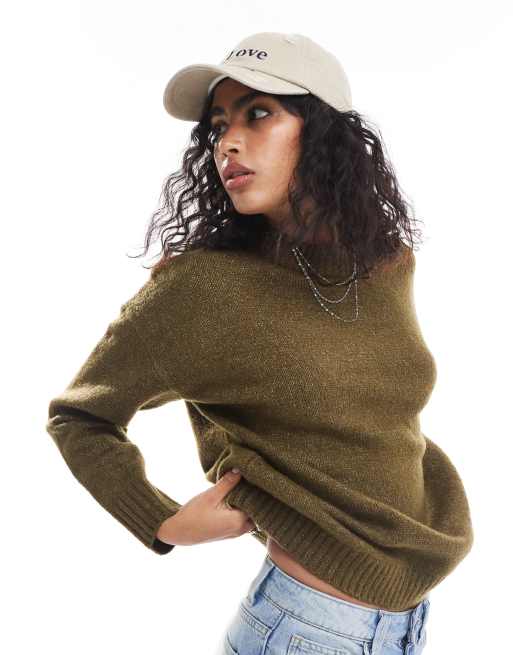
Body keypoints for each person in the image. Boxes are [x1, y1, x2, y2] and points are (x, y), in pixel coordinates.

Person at [46, 32, 474, 655]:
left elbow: (372, 422)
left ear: (323, 132)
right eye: (219, 125)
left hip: (405, 627)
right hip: (305, 628)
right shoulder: (203, 287)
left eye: (259, 114)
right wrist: (162, 520)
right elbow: (79, 415)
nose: (228, 142)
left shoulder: (386, 264)